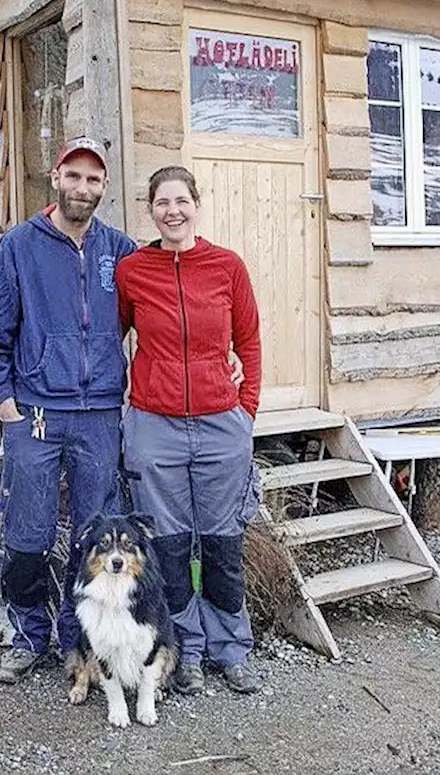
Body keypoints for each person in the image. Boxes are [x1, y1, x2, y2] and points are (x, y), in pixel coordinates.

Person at [0, 136, 139, 683]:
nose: (83, 188)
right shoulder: (20, 245)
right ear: (55, 176)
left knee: (94, 536)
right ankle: (27, 634)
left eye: (94, 180)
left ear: (104, 187)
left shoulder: (120, 250)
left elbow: (161, 313)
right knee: (29, 531)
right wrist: (4, 402)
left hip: (99, 416)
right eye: (75, 176)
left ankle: (79, 642)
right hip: (36, 414)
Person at [115, 165, 264, 695]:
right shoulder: (134, 271)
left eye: (181, 200)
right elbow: (113, 338)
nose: (172, 211)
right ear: (150, 210)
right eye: (162, 203)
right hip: (155, 426)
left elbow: (248, 342)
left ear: (196, 204)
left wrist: (245, 413)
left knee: (222, 544)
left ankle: (230, 649)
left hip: (222, 426)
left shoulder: (227, 267)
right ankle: (184, 651)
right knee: (172, 547)